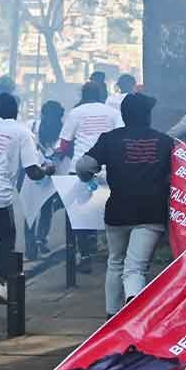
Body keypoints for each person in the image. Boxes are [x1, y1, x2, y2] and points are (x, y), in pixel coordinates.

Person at [76, 93, 174, 316]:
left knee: (116, 262)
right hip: (151, 213)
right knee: (136, 267)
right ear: (148, 116)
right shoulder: (165, 142)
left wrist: (88, 178)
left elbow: (84, 167)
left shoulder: (109, 139)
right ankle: (133, 312)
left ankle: (112, 315)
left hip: (117, 211)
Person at [0, 92, 51, 326]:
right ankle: (0, 282)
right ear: (15, 111)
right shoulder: (21, 132)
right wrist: (47, 169)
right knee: (7, 236)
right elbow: (33, 172)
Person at [57, 82, 123, 273]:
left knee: (76, 215)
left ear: (83, 94)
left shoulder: (76, 113)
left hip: (80, 168)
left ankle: (83, 254)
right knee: (106, 211)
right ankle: (113, 253)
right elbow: (120, 137)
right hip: (107, 169)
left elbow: (64, 144)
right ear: (102, 94)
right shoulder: (112, 112)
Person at [24, 100, 65, 259]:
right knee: (45, 208)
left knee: (29, 211)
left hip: (31, 171)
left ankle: (30, 247)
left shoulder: (32, 125)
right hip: (49, 173)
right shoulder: (61, 130)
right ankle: (41, 239)